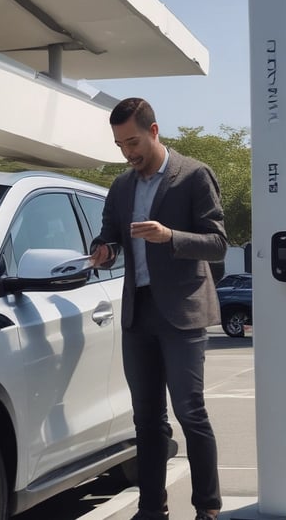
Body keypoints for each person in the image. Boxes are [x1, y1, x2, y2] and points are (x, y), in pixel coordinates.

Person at [89, 98, 226, 520]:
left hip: (183, 311)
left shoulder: (194, 175)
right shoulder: (121, 186)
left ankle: (207, 508)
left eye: (132, 142)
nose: (127, 153)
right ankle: (151, 510)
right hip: (139, 312)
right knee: (146, 420)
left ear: (153, 131)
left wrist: (170, 236)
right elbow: (109, 237)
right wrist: (103, 251)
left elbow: (218, 243)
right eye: (119, 145)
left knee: (190, 412)